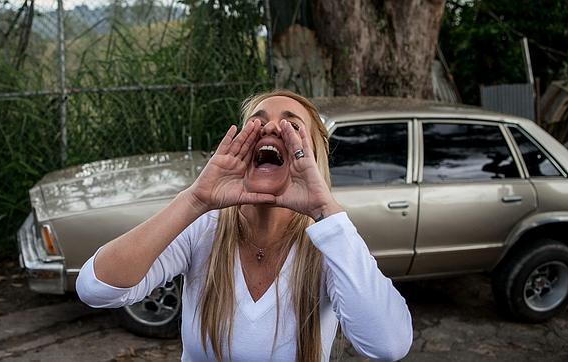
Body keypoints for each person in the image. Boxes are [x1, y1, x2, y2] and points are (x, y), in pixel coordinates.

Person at [76, 90, 413, 361]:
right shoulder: (204, 228)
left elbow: (388, 345)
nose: (271, 129)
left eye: (292, 126)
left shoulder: (330, 242)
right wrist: (195, 200)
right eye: (257, 123)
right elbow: (96, 288)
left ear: (314, 156)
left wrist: (326, 210)